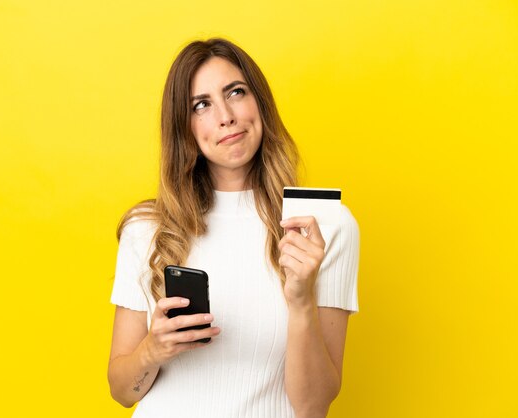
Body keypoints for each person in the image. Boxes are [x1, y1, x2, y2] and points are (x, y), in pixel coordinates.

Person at [108, 38, 360, 418]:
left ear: (259, 102)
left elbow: (313, 406)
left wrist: (301, 299)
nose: (225, 115)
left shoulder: (323, 225)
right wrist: (152, 349)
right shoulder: (148, 229)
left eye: (236, 92)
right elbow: (122, 391)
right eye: (201, 105)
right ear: (184, 127)